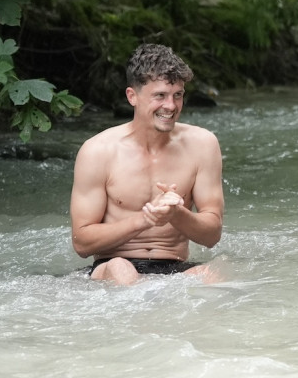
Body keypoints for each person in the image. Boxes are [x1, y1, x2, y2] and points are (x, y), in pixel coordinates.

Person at [70, 44, 225, 285]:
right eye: (160, 96)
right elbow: (82, 243)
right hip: (113, 264)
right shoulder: (98, 151)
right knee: (123, 270)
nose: (171, 106)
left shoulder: (203, 145)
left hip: (174, 264)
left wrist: (177, 214)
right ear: (132, 96)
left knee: (210, 277)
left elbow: (212, 235)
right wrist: (145, 220)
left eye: (178, 95)